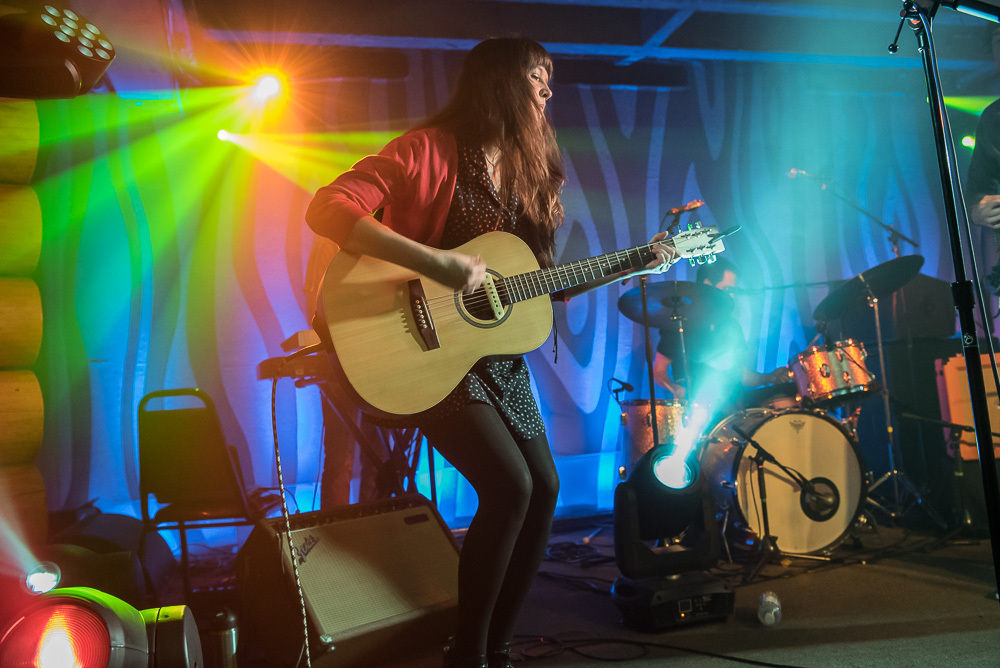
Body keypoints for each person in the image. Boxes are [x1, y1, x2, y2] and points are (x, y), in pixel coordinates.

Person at [305, 37, 676, 668]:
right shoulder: (427, 150)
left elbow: (537, 285)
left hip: (492, 358)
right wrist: (436, 264)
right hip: (424, 348)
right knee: (508, 486)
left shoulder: (531, 175)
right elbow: (328, 207)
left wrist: (638, 261)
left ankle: (495, 649)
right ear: (499, 81)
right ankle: (469, 655)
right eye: (536, 76)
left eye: (549, 79)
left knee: (544, 488)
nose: (547, 90)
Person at [652, 257, 789, 416]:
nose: (732, 295)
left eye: (733, 290)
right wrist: (675, 388)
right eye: (728, 288)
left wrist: (769, 378)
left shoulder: (731, 325)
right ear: (708, 285)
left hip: (735, 410)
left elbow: (741, 375)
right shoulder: (680, 323)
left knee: (787, 397)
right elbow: (659, 370)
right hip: (698, 412)